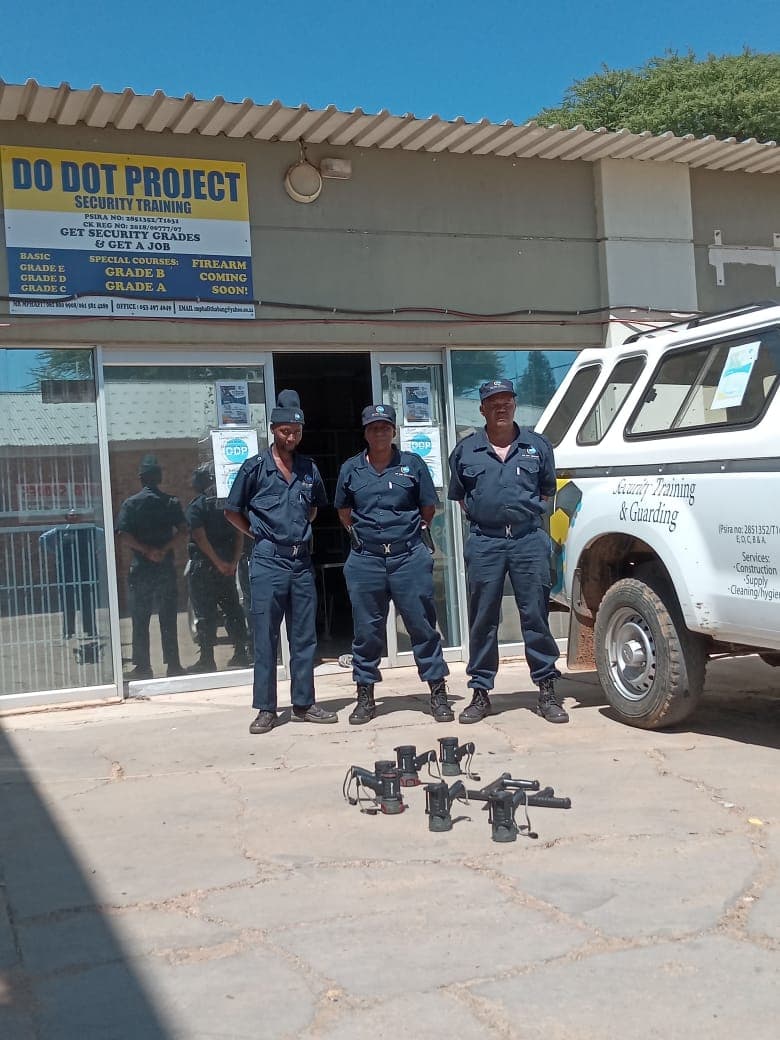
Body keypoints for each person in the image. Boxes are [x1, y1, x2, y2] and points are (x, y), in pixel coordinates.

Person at [448, 378, 568, 724]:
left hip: (528, 541)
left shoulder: (537, 447)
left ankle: (546, 691)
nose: (501, 408)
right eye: (493, 403)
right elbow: (460, 498)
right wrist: (490, 522)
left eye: (507, 402)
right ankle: (481, 693)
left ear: (514, 405)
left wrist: (519, 521)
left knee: (535, 616)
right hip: (485, 542)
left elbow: (546, 492)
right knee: (483, 619)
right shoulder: (466, 450)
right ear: (482, 409)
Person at [224, 390, 337, 734]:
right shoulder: (255, 468)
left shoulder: (308, 469)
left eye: (297, 432)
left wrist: (297, 530)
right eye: (286, 431)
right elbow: (232, 511)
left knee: (304, 637)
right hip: (267, 562)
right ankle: (266, 708)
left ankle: (303, 703)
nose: (292, 437)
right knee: (266, 638)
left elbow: (315, 506)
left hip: (300, 563)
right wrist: (258, 535)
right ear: (273, 430)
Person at [334, 403, 453, 725]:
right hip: (366, 559)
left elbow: (428, 508)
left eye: (385, 427)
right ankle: (365, 695)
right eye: (374, 428)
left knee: (423, 627)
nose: (380, 432)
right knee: (367, 632)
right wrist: (363, 538)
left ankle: (438, 692)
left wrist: (408, 537)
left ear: (394, 431)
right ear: (366, 433)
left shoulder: (412, 465)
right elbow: (344, 512)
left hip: (408, 557)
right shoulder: (351, 469)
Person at [115, 455, 186, 681]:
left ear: (141, 479)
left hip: (142, 567)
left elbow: (123, 534)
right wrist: (163, 550)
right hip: (164, 566)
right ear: (159, 477)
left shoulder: (131, 504)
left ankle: (143, 667)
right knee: (168, 617)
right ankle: (173, 664)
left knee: (140, 618)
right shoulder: (171, 502)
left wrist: (146, 551)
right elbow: (184, 531)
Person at [185, 465, 250, 673]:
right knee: (233, 609)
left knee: (205, 612)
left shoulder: (198, 506)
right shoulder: (226, 504)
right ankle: (241, 652)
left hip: (206, 567)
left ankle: (207, 659)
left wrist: (219, 562)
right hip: (227, 568)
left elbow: (199, 536)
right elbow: (240, 533)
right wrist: (232, 562)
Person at [40, 508, 102, 640]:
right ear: (66, 518)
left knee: (87, 600)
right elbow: (43, 539)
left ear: (81, 517)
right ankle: (68, 631)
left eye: (77, 515)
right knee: (67, 601)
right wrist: (56, 552)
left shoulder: (88, 530)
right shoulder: (60, 531)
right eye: (71, 516)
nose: (74, 518)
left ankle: (90, 630)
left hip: (85, 569)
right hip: (67, 571)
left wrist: (95, 550)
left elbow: (103, 535)